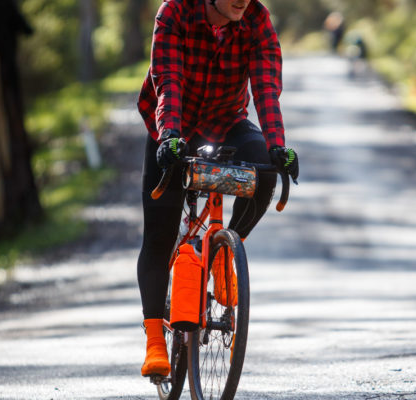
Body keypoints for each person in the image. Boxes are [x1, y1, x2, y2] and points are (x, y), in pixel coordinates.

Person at [136, 0, 299, 377]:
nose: (241, 0)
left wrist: (277, 145)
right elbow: (168, 80)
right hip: (171, 126)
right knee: (159, 236)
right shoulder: (174, 12)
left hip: (226, 121)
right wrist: (170, 137)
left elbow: (266, 87)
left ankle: (226, 250)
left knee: (265, 171)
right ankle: (155, 342)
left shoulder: (256, 19)